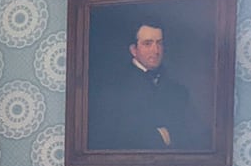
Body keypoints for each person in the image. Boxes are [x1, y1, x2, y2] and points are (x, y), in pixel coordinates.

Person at [88, 21, 209, 151]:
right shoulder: (113, 87)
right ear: (134, 50)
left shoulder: (179, 90)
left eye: (159, 43)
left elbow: (191, 135)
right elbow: (110, 136)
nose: (156, 50)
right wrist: (159, 136)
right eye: (148, 44)